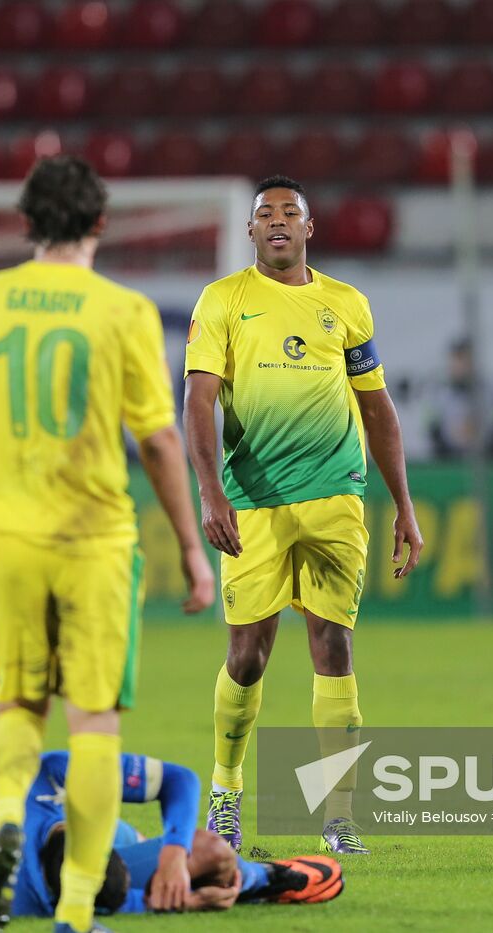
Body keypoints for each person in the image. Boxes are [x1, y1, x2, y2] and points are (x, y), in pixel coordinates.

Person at [0, 154, 215, 933]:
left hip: (4, 534)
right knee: (93, 720)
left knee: (18, 703)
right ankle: (73, 909)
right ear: (101, 223)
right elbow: (161, 442)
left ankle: (5, 814)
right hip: (93, 536)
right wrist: (194, 548)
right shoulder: (123, 312)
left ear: (27, 223)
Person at [184, 175, 423, 857]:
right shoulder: (224, 300)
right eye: (266, 214)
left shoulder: (346, 304)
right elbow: (199, 402)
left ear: (310, 229)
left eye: (291, 212)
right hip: (253, 500)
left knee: (334, 644)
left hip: (336, 495)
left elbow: (377, 408)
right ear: (251, 231)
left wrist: (404, 505)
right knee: (248, 654)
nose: (278, 221)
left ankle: (338, 814)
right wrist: (210, 492)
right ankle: (226, 792)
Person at [0, 751, 344, 920]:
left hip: (45, 812)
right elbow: (101, 904)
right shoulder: (30, 898)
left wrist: (173, 853)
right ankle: (259, 880)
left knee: (180, 851)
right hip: (44, 848)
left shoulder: (53, 771)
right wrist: (184, 902)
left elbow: (180, 779)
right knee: (213, 854)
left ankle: (145, 850)